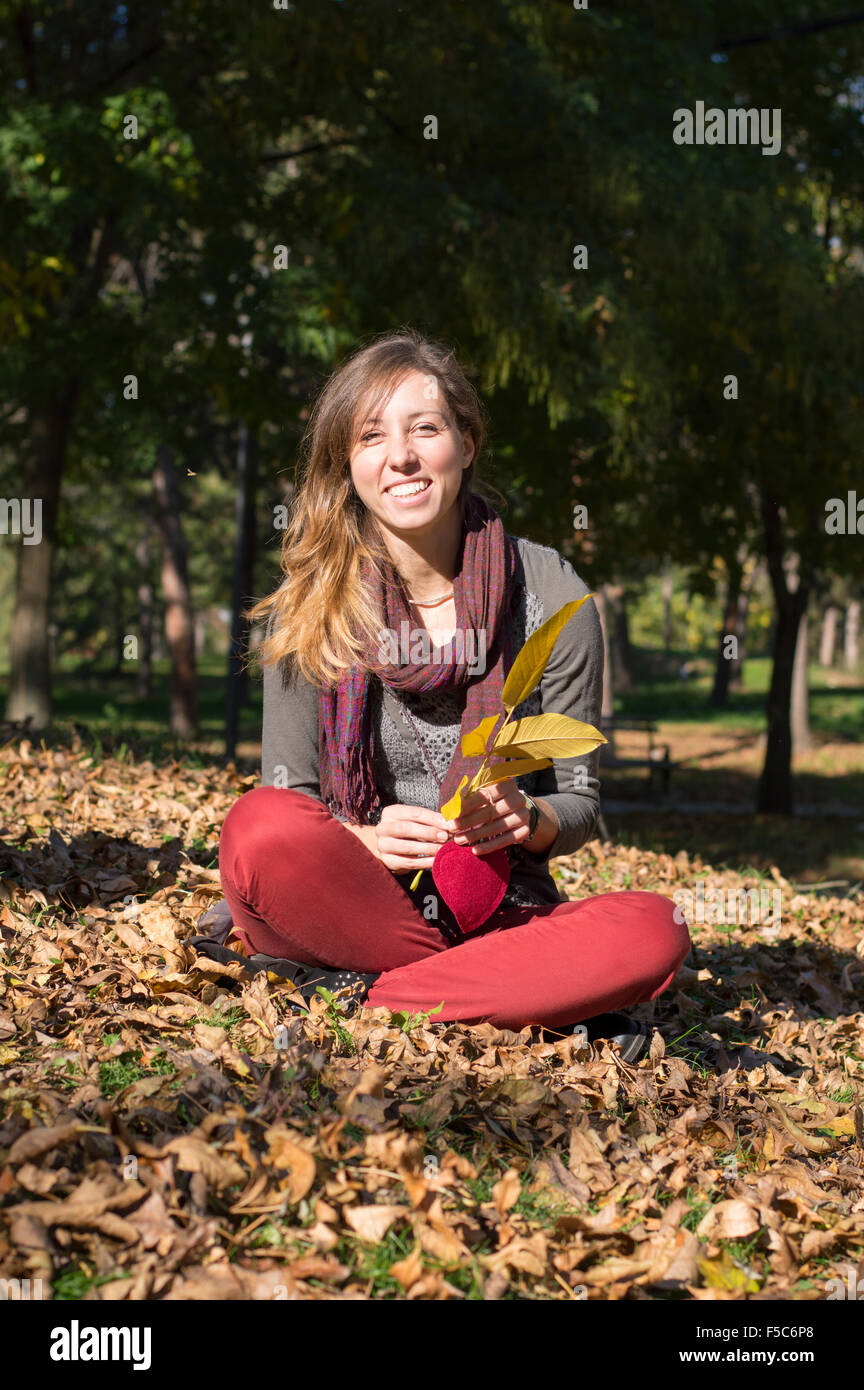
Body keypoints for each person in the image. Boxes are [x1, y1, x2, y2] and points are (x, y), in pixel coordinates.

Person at [195, 330, 691, 1059]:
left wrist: (529, 817)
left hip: (500, 908)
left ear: (465, 440)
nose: (401, 455)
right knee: (257, 829)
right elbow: (289, 797)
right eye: (371, 437)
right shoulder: (311, 606)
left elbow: (582, 805)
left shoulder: (552, 597)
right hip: (353, 898)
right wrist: (363, 843)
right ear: (348, 464)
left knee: (660, 928)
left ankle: (363, 990)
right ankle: (512, 997)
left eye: (425, 428)